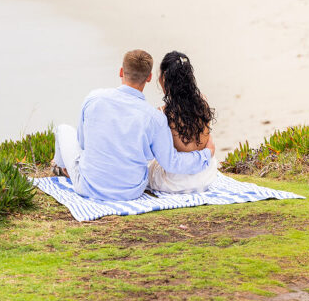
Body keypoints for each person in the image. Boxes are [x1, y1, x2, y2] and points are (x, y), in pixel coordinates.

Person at [51, 49, 214, 201]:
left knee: (63, 129)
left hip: (89, 187)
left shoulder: (94, 98)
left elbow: (83, 143)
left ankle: (61, 169)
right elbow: (170, 162)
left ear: (121, 72)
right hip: (131, 191)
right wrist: (206, 154)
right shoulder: (154, 117)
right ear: (149, 78)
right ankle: (66, 169)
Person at [147, 51, 218, 193]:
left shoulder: (162, 114)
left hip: (176, 182)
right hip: (206, 176)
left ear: (164, 79)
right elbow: (209, 144)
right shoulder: (203, 103)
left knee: (150, 164)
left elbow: (163, 157)